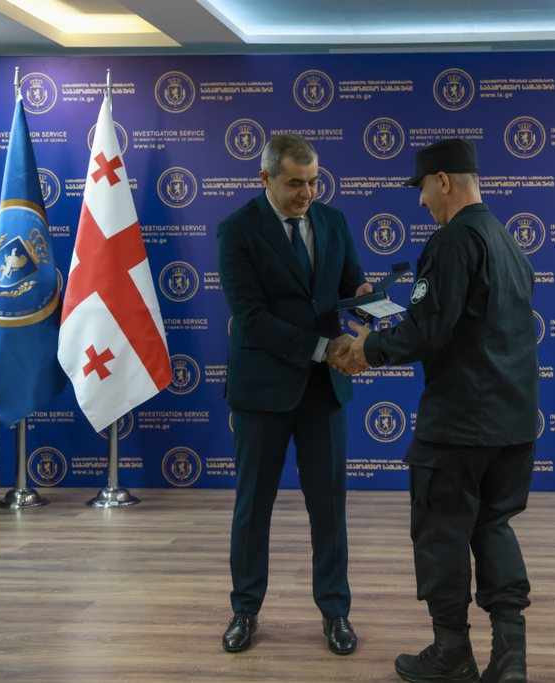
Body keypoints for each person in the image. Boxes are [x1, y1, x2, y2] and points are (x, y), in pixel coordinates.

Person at [349, 138, 539, 683]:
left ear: (444, 181)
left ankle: (452, 653)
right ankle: (510, 659)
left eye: (423, 187)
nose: (420, 200)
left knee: (441, 536)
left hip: (458, 424)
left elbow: (428, 330)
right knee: (493, 526)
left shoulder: (452, 239)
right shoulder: (506, 240)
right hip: (513, 422)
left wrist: (368, 349)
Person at [216, 134, 371, 655]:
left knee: (329, 508)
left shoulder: (334, 221)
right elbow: (251, 319)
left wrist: (369, 301)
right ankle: (245, 609)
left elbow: (349, 288)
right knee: (253, 506)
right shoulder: (237, 229)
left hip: (324, 393)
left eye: (314, 182)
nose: (308, 193)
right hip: (262, 392)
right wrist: (324, 348)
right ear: (265, 179)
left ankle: (336, 612)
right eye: (295, 183)